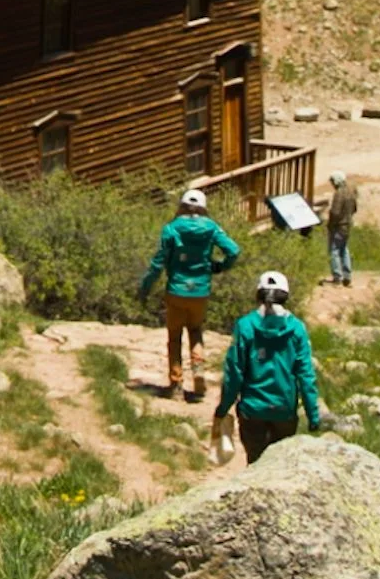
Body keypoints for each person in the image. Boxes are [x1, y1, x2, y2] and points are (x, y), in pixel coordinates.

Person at [138, 187, 240, 400]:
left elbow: (157, 264)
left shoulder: (171, 229)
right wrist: (219, 267)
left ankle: (176, 384)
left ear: (181, 206)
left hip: (176, 290)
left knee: (174, 337)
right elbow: (234, 251)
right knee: (195, 330)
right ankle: (199, 371)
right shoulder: (211, 228)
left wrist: (145, 288)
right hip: (200, 290)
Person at [213, 270, 324, 463]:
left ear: (258, 295)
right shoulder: (297, 328)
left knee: (255, 463)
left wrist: (223, 408)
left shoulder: (246, 325)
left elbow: (234, 373)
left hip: (252, 410)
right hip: (284, 410)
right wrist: (313, 415)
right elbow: (305, 375)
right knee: (281, 466)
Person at [321, 170, 359, 287]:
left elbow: (335, 212)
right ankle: (347, 276)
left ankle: (337, 277)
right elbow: (354, 209)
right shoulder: (351, 192)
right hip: (347, 225)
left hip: (338, 226)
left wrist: (330, 224)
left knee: (335, 251)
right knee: (344, 250)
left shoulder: (339, 193)